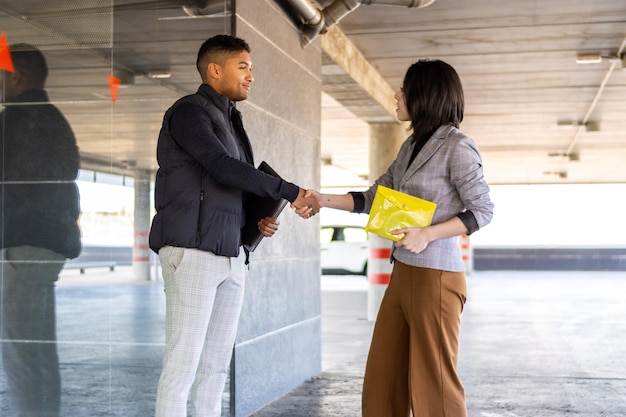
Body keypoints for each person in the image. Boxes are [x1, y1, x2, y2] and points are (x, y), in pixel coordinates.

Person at [302, 59, 494, 417]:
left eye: (404, 89)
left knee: (434, 383)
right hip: (403, 273)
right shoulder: (410, 147)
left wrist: (428, 234)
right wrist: (320, 199)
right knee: (383, 377)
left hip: (436, 277)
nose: (396, 95)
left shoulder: (458, 146)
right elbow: (373, 198)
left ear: (425, 95)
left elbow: (482, 210)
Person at [148, 34, 318, 417]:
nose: (251, 75)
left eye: (251, 67)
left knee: (215, 367)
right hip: (191, 255)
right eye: (243, 66)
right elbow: (220, 165)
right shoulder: (189, 112)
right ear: (214, 69)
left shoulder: (230, 119)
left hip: (231, 255)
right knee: (182, 367)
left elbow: (226, 187)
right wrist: (290, 191)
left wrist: (253, 223)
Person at [0, 43, 82, 417]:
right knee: (37, 352)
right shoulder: (52, 119)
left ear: (16, 76)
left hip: (21, 247)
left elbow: (14, 187)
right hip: (43, 247)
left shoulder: (18, 120)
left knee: (22, 355)